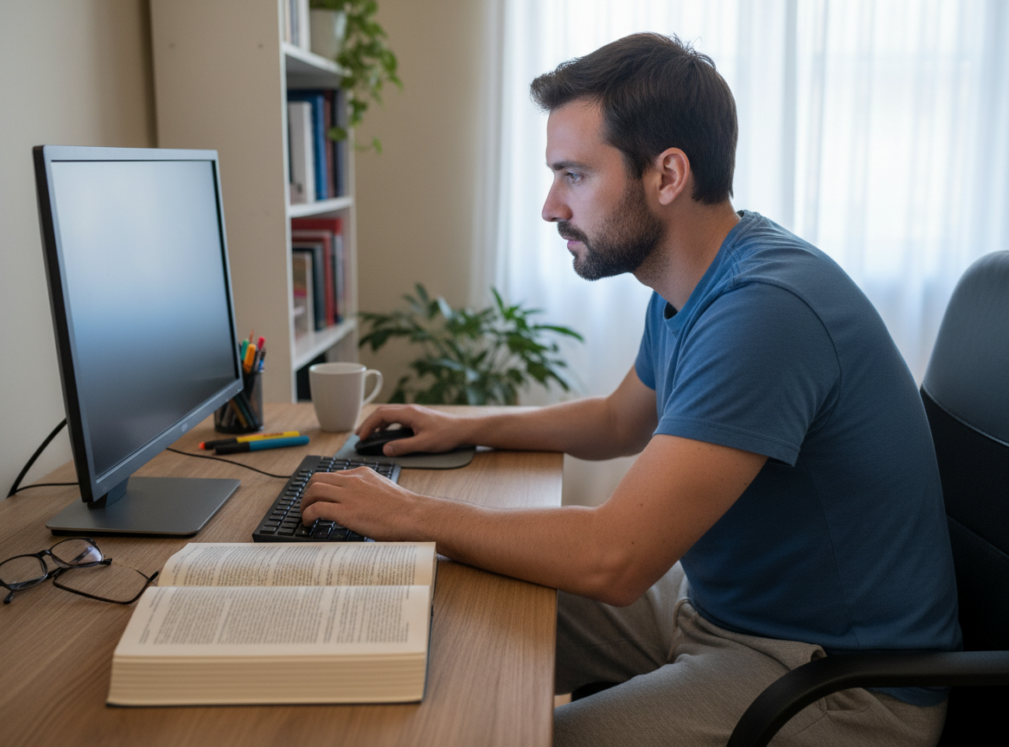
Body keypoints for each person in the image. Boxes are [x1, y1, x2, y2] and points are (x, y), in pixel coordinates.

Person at [300, 33, 960, 747]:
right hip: (718, 609)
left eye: (574, 175)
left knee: (523, 733)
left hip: (836, 682)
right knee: (449, 600)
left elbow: (614, 558)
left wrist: (407, 511)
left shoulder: (765, 311)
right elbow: (619, 421)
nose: (551, 206)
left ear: (667, 175)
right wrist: (464, 425)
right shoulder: (691, 276)